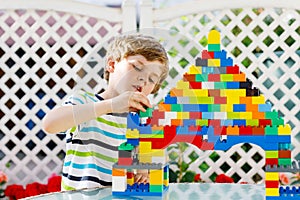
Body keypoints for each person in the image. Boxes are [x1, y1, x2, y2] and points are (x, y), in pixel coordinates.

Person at [42, 34, 169, 191]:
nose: (143, 78)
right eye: (137, 67)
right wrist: (111, 105)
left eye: (152, 79)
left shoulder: (142, 119)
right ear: (111, 65)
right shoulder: (83, 101)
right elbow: (50, 124)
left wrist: (143, 173)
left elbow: (149, 159)